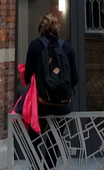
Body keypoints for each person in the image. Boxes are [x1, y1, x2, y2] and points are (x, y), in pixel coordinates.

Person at [24, 13, 78, 168]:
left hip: (41, 103)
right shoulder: (67, 47)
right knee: (54, 140)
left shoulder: (35, 46)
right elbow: (74, 79)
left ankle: (34, 166)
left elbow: (28, 76)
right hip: (62, 105)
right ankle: (49, 166)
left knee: (34, 136)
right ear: (57, 28)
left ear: (41, 28)